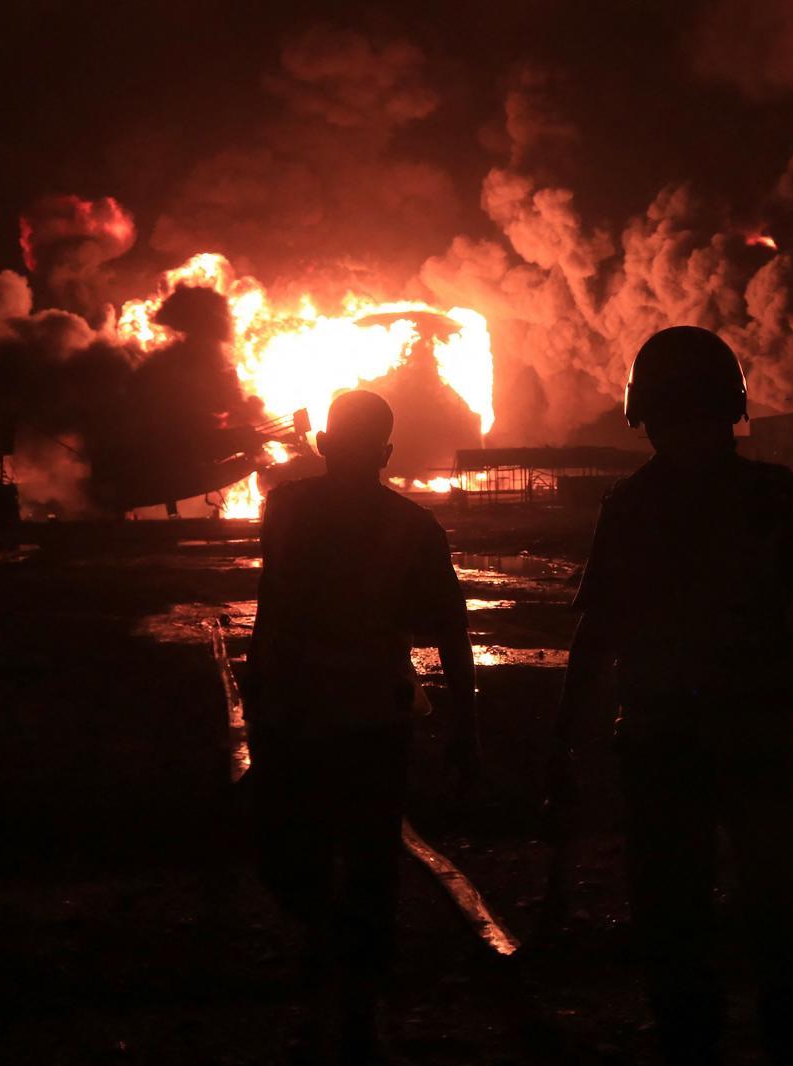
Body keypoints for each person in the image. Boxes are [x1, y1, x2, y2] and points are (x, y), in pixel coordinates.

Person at [547, 326, 793, 1066]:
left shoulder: (633, 505)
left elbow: (596, 636)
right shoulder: (771, 496)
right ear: (733, 409)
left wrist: (567, 744)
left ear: (645, 417)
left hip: (663, 741)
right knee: (784, 906)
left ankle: (694, 1039)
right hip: (754, 735)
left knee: (676, 913)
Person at [243, 389, 480, 1062]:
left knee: (296, 852)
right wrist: (467, 729)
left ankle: (335, 972)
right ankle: (356, 995)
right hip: (374, 718)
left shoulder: (285, 509)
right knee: (369, 858)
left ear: (322, 443)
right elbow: (453, 634)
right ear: (387, 453)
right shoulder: (413, 527)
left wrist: (259, 691)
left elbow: (271, 604)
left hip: (297, 714)